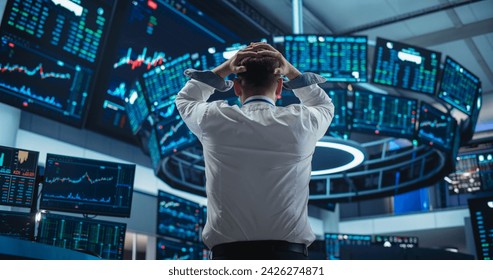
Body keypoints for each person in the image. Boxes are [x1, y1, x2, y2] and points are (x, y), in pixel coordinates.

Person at [175, 42, 334, 260]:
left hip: (228, 260)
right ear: (279, 88)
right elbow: (324, 105)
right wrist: (289, 70)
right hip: (289, 260)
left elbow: (186, 99)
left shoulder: (212, 118)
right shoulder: (302, 122)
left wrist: (226, 68)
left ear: (237, 87)